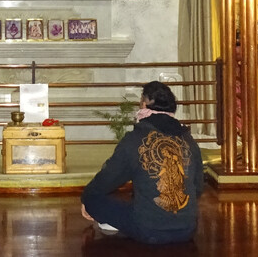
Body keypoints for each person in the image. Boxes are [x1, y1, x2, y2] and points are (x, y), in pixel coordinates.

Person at [81, 81, 204, 245]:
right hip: (187, 229)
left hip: (149, 230)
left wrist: (86, 198)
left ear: (144, 104)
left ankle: (115, 223)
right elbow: (198, 187)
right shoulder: (188, 139)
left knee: (92, 197)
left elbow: (107, 180)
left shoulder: (135, 139)